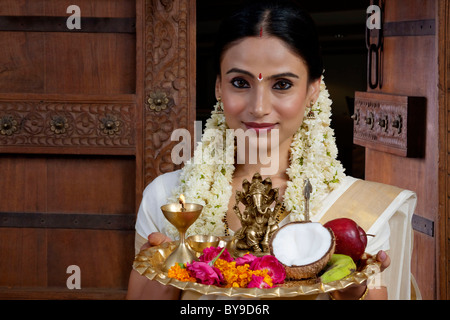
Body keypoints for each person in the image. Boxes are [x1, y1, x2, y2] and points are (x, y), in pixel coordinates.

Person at [126, 0, 418, 300]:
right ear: (218, 87)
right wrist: (168, 272)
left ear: (313, 90)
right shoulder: (167, 199)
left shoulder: (358, 214)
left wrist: (354, 293)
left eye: (282, 85)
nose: (259, 107)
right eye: (240, 82)